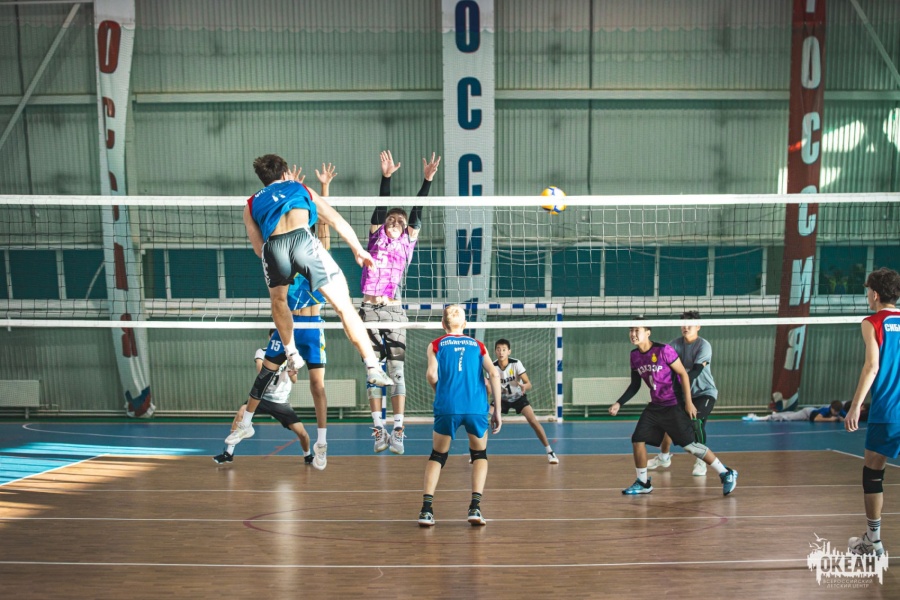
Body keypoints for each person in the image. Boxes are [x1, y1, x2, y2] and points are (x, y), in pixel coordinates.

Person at [227, 154, 393, 444]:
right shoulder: (299, 188)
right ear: (286, 173)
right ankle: (372, 365)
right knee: (344, 306)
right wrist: (358, 249)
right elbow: (334, 219)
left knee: (278, 301)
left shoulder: (250, 204)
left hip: (273, 247)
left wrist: (277, 261)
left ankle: (292, 354)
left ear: (263, 179)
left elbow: (257, 247)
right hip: (303, 240)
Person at [361, 150, 441, 455]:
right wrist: (386, 178)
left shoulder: (407, 242)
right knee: (374, 371)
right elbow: (382, 207)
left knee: (396, 372)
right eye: (391, 220)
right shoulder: (376, 237)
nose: (395, 221)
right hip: (369, 311)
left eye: (401, 220)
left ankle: (397, 430)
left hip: (394, 310)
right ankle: (378, 431)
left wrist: (427, 181)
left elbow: (418, 212)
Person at [608, 318, 738, 496]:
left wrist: (688, 402)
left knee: (690, 446)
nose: (633, 334)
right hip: (655, 406)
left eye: (637, 330)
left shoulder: (664, 350)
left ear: (648, 332)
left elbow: (683, 374)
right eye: (631, 330)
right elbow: (635, 384)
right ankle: (643, 482)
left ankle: (725, 472)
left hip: (673, 404)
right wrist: (619, 403)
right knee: (637, 439)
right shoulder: (635, 356)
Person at [418, 305, 502, 527]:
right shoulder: (478, 345)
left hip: (447, 405)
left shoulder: (436, 344)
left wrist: (440, 393)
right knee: (479, 454)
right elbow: (494, 374)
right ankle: (475, 508)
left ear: (443, 324)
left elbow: (431, 374)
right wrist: (497, 410)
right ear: (465, 324)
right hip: (476, 406)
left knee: (437, 456)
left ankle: (426, 510)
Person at [845, 267, 900, 557]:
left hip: (888, 411)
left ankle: (873, 541)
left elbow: (872, 366)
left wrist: (855, 405)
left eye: (868, 291)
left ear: (875, 294)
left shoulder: (872, 322)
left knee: (873, 473)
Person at [215, 330, 321, 469]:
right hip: (262, 398)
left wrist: (292, 370)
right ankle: (229, 453)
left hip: (280, 401)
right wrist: (278, 366)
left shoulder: (291, 355)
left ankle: (307, 456)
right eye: (275, 338)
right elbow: (261, 371)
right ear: (270, 338)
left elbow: (294, 380)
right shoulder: (263, 352)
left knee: (302, 433)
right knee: (242, 412)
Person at [647, 311, 717, 476]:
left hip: (704, 392)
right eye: (683, 324)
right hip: (683, 393)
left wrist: (675, 385)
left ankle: (701, 461)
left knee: (696, 422)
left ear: (698, 326)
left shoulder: (703, 346)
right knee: (668, 423)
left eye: (690, 324)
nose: (686, 327)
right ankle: (664, 458)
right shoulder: (674, 345)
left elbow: (695, 372)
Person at [490, 338, 558, 463]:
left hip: (518, 397)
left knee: (533, 421)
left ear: (509, 351)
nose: (501, 352)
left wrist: (524, 386)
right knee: (483, 419)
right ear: (495, 351)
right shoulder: (492, 367)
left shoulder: (516, 363)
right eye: (498, 349)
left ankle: (550, 452)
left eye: (504, 349)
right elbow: (491, 388)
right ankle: (477, 453)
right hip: (501, 399)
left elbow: (528, 383)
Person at [743, 400, 846, 422]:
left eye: (837, 412)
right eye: (834, 411)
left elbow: (846, 417)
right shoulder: (826, 410)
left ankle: (776, 414)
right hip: (807, 413)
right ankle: (759, 418)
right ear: (831, 408)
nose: (836, 413)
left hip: (810, 413)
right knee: (787, 417)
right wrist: (831, 419)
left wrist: (841, 418)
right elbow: (817, 419)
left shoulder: (839, 410)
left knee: (789, 414)